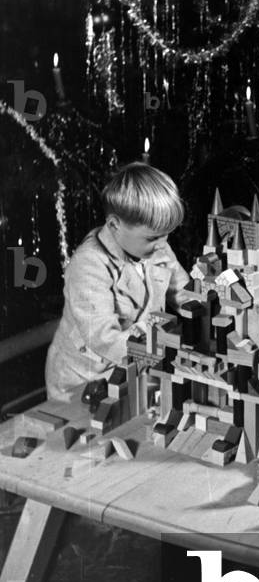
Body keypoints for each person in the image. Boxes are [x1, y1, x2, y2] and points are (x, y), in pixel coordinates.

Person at [46, 162, 194, 402]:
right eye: (153, 237)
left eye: (167, 235)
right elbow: (104, 338)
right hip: (84, 382)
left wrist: (209, 309)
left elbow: (185, 294)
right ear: (115, 225)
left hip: (137, 368)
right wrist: (165, 352)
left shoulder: (158, 249)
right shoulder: (88, 264)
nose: (162, 244)